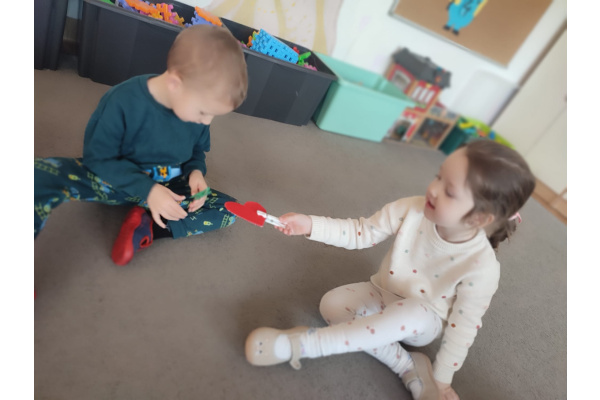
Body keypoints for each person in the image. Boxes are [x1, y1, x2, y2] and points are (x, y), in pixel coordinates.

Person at [244, 140, 536, 400]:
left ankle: (307, 344)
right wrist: (310, 225)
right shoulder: (413, 208)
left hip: (423, 320)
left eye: (448, 191)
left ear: (479, 219)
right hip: (383, 292)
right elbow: (360, 232)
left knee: (412, 312)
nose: (433, 189)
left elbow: (464, 326)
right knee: (331, 304)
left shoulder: (482, 267)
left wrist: (441, 380)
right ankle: (406, 365)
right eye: (438, 176)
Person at [34, 24, 248, 266]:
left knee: (231, 209)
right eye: (203, 112)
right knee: (37, 177)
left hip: (170, 188)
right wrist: (148, 190)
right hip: (113, 183)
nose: (206, 121)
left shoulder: (196, 114)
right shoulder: (123, 101)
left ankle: (149, 226)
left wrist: (196, 171)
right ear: (175, 84)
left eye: (213, 115)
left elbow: (197, 150)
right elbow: (98, 158)